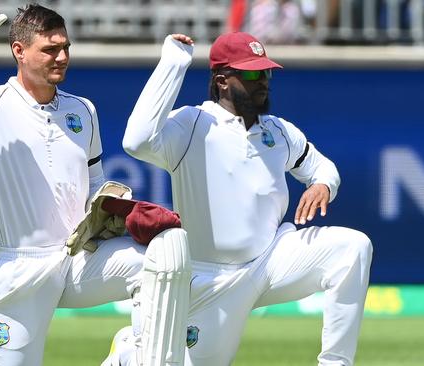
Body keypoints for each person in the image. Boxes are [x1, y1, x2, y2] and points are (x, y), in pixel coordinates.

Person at [0, 3, 190, 366]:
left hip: (74, 259)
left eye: (65, 47)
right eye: (50, 49)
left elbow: (93, 183)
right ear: (19, 51)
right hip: (13, 269)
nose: (62, 56)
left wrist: (109, 206)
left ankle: (137, 355)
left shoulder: (82, 110)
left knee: (161, 257)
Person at [112, 31, 373, 365]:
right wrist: (174, 61)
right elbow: (137, 141)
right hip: (211, 277)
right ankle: (127, 352)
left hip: (271, 259)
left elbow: (323, 167)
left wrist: (322, 184)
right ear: (222, 81)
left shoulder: (278, 131)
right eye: (251, 73)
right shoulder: (192, 123)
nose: (262, 80)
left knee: (353, 247)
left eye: (265, 72)